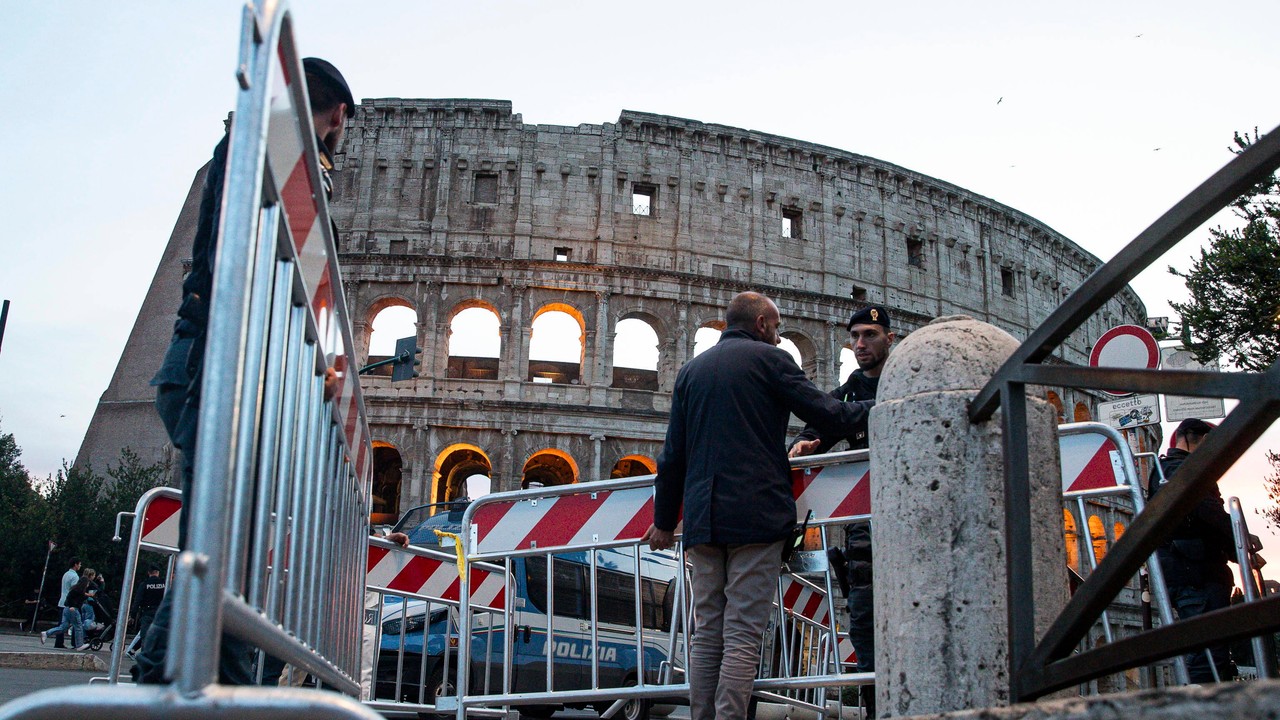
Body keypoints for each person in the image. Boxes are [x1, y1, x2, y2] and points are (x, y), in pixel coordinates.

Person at [134, 57, 357, 686]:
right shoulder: (275, 153)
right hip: (217, 375)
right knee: (223, 560)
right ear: (339, 115)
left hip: (220, 373)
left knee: (223, 558)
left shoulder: (264, 150)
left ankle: (188, 687)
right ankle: (200, 689)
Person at [641, 291, 876, 720]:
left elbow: (672, 455)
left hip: (702, 522)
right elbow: (829, 414)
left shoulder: (691, 371)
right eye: (777, 327)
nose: (779, 336)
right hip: (755, 516)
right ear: (762, 324)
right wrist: (880, 406)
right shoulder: (772, 361)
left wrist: (663, 520)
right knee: (743, 634)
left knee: (706, 632)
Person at [788, 305, 895, 714]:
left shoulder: (907, 380)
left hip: (910, 521)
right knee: (865, 623)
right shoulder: (847, 394)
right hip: (864, 528)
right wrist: (805, 444)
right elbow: (818, 429)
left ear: (890, 338)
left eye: (870, 335)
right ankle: (873, 708)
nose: (860, 344)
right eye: (855, 336)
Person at [1148, 418, 1242, 683]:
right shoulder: (1176, 470)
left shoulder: (1172, 470)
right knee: (1207, 654)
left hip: (1197, 571)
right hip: (1194, 574)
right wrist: (1240, 538)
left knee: (1212, 652)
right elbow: (1207, 511)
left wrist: (1237, 549)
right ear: (1199, 439)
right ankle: (1200, 703)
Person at [128, 567, 167, 657]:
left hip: (148, 613)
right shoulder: (164, 583)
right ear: (158, 573)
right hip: (161, 613)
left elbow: (137, 601)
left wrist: (132, 615)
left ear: (149, 573)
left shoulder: (145, 584)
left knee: (145, 636)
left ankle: (145, 657)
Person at [46, 558, 81, 648]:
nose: (80, 566)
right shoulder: (75, 576)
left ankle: (58, 642)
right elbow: (74, 591)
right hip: (69, 603)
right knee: (76, 623)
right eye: (79, 564)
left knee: (61, 623)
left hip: (62, 601)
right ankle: (76, 643)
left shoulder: (66, 574)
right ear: (75, 565)